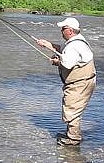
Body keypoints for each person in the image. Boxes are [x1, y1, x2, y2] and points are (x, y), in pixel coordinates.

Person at [37, 17, 96, 146]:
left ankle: (73, 139)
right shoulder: (75, 41)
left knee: (71, 108)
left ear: (69, 30)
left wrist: (56, 62)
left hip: (80, 82)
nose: (61, 31)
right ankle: (72, 134)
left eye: (63, 29)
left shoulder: (74, 45)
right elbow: (62, 50)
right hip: (83, 81)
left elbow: (67, 64)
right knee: (72, 106)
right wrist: (48, 45)